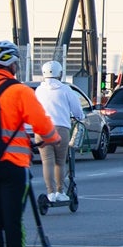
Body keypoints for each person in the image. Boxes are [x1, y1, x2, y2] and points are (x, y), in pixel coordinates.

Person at [0, 41, 60, 247]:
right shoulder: (20, 91)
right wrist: (53, 139)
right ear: (12, 64)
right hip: (13, 166)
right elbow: (43, 125)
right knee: (12, 221)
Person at [34, 60, 84, 203]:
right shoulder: (65, 89)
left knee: (47, 162)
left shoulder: (39, 90)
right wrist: (80, 116)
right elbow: (77, 109)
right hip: (60, 128)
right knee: (60, 162)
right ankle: (60, 191)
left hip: (41, 129)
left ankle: (50, 192)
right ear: (60, 74)